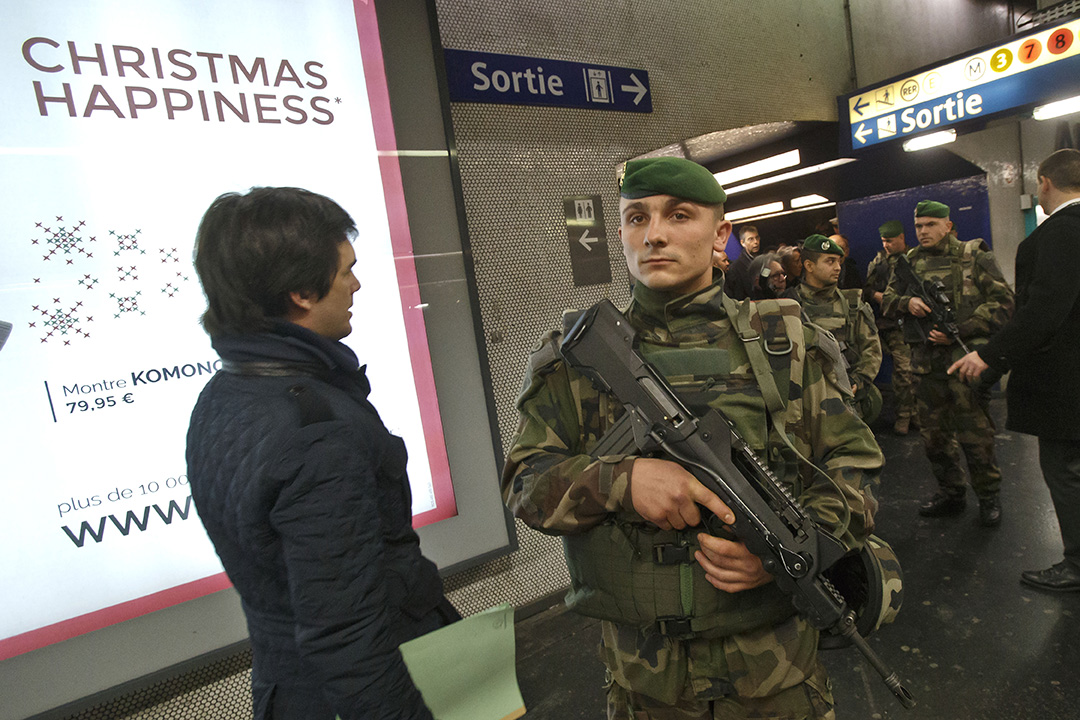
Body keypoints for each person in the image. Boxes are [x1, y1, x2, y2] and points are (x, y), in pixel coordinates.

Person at [503, 157, 883, 719]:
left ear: (720, 234)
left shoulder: (789, 341)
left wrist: (787, 555)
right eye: (636, 218)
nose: (654, 233)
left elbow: (853, 463)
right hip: (646, 682)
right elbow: (524, 484)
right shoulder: (573, 358)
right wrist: (623, 481)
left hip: (773, 674)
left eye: (679, 215)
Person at [186, 187, 458, 719]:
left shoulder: (224, 395)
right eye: (344, 272)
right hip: (366, 690)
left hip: (286, 685)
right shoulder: (317, 434)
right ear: (301, 293)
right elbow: (348, 635)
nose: (355, 285)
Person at [949, 149, 1080, 590]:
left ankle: (1078, 564)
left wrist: (990, 356)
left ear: (1043, 182)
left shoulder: (1060, 233)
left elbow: (1044, 309)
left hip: (1067, 385)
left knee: (1064, 471)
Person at [882, 200, 1014, 527]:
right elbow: (885, 300)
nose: (923, 231)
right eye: (918, 226)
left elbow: (1004, 303)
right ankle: (951, 493)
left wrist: (963, 329)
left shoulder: (974, 256)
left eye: (930, 224)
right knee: (934, 437)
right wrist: (907, 302)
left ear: (948, 225)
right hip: (925, 364)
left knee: (975, 434)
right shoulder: (907, 262)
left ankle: (988, 496)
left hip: (964, 360)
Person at [787, 235, 882, 423]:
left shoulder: (852, 304)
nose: (838, 267)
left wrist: (857, 381)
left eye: (839, 261)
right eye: (830, 261)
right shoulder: (788, 306)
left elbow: (871, 350)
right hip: (804, 407)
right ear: (809, 266)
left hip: (846, 401)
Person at [864, 221, 917, 434]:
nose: (886, 245)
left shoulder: (914, 258)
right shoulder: (878, 262)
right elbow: (867, 289)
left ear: (902, 238)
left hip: (915, 322)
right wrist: (883, 298)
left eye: (891, 240)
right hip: (892, 325)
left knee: (917, 373)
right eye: (884, 241)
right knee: (903, 371)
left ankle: (915, 415)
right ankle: (904, 416)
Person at [722, 224, 760, 300]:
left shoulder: (763, 262)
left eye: (757, 238)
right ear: (742, 243)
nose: (756, 242)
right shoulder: (735, 268)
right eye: (751, 239)